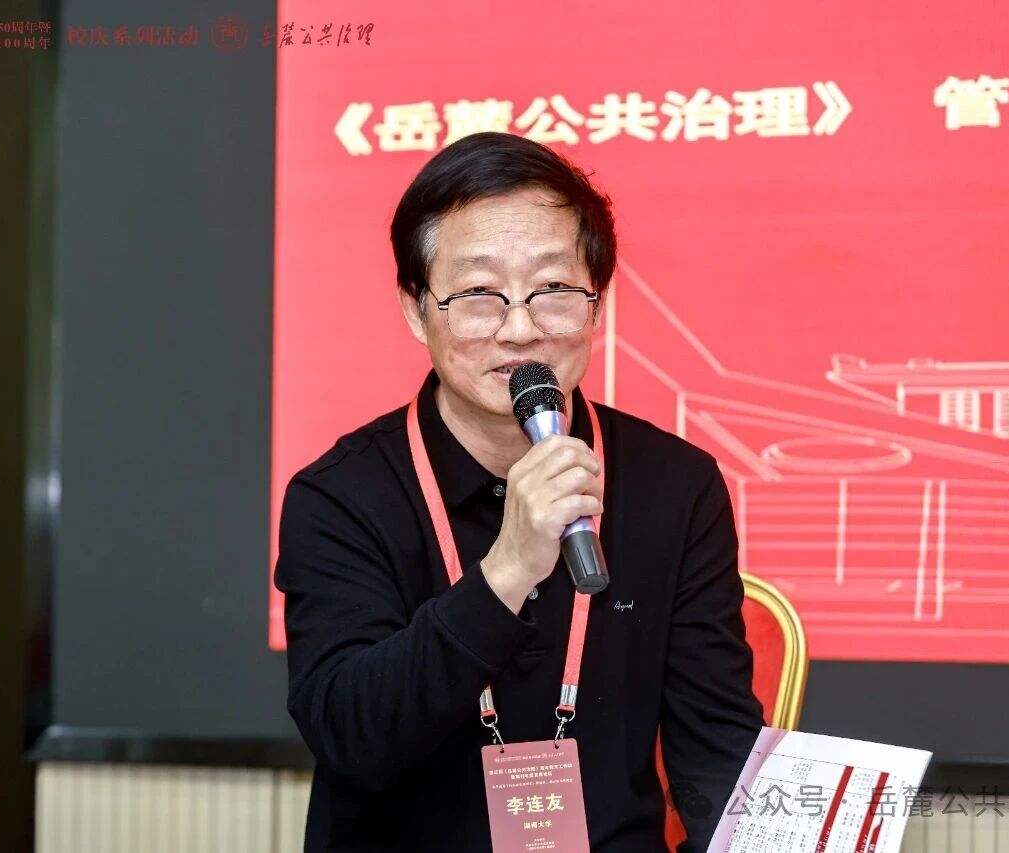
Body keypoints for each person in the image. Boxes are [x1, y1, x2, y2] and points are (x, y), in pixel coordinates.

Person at [274, 131, 765, 852]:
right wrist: (508, 567)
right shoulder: (341, 497)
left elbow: (718, 750)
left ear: (597, 303)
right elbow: (352, 735)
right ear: (416, 308)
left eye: (553, 290)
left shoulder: (676, 486)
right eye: (479, 294)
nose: (521, 328)